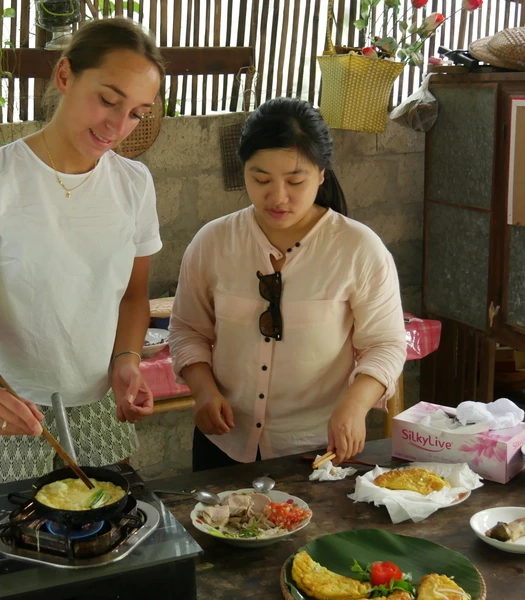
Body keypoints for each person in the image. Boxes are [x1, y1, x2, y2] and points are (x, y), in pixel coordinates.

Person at [0, 18, 164, 483]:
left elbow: (133, 297)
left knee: (103, 534)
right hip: (9, 407)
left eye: (137, 112)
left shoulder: (134, 185)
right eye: (108, 100)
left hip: (96, 408)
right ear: (65, 76)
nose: (118, 125)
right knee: (10, 547)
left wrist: (127, 363)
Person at [168, 97, 407, 471]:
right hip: (224, 443)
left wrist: (355, 405)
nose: (277, 197)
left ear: (322, 174)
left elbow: (386, 344)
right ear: (242, 171)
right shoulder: (213, 242)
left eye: (296, 180)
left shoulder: (358, 248)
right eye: (260, 179)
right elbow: (187, 329)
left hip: (315, 449)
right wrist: (204, 391)